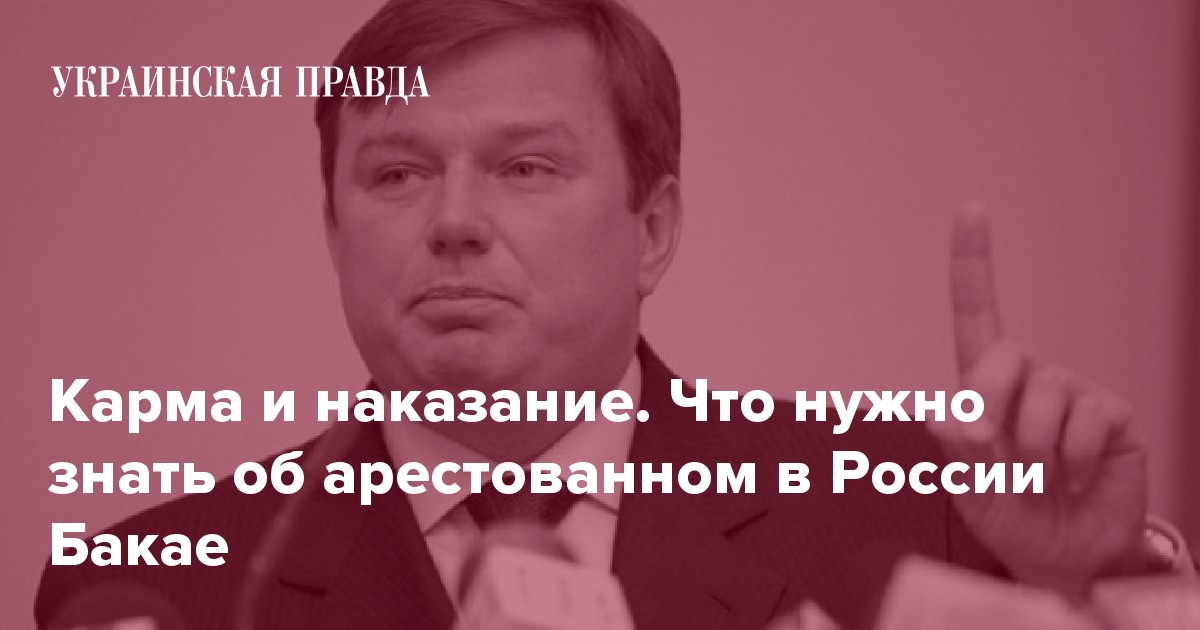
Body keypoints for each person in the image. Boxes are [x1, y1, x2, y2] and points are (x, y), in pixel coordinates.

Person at [34, 0, 1189, 628]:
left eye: (525, 167)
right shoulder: (152, 591)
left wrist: (1094, 584)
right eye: (395, 174)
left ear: (653, 229)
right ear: (335, 232)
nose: (454, 221)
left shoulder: (914, 517)